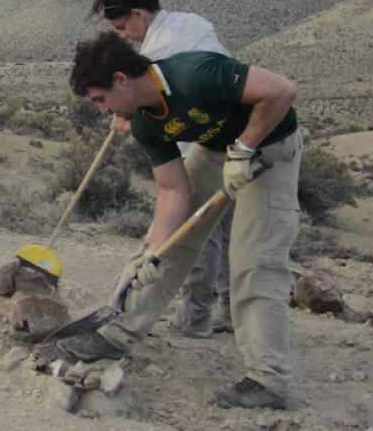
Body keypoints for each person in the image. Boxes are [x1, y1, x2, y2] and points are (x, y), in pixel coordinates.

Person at [61, 31, 301, 410]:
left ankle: (269, 379)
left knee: (254, 260)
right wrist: (156, 254)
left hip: (269, 143)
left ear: (121, 79)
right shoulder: (144, 122)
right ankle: (118, 332)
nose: (103, 110)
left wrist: (244, 148)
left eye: (100, 99)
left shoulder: (194, 74)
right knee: (162, 248)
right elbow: (173, 190)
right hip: (217, 148)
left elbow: (282, 90)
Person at [91, 0, 234, 337]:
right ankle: (229, 310)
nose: (124, 35)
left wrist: (127, 118)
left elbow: (151, 113)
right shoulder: (191, 22)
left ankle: (195, 318)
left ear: (140, 14)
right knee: (226, 232)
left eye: (123, 26)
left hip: (202, 146)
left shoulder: (159, 53)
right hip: (235, 140)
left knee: (197, 233)